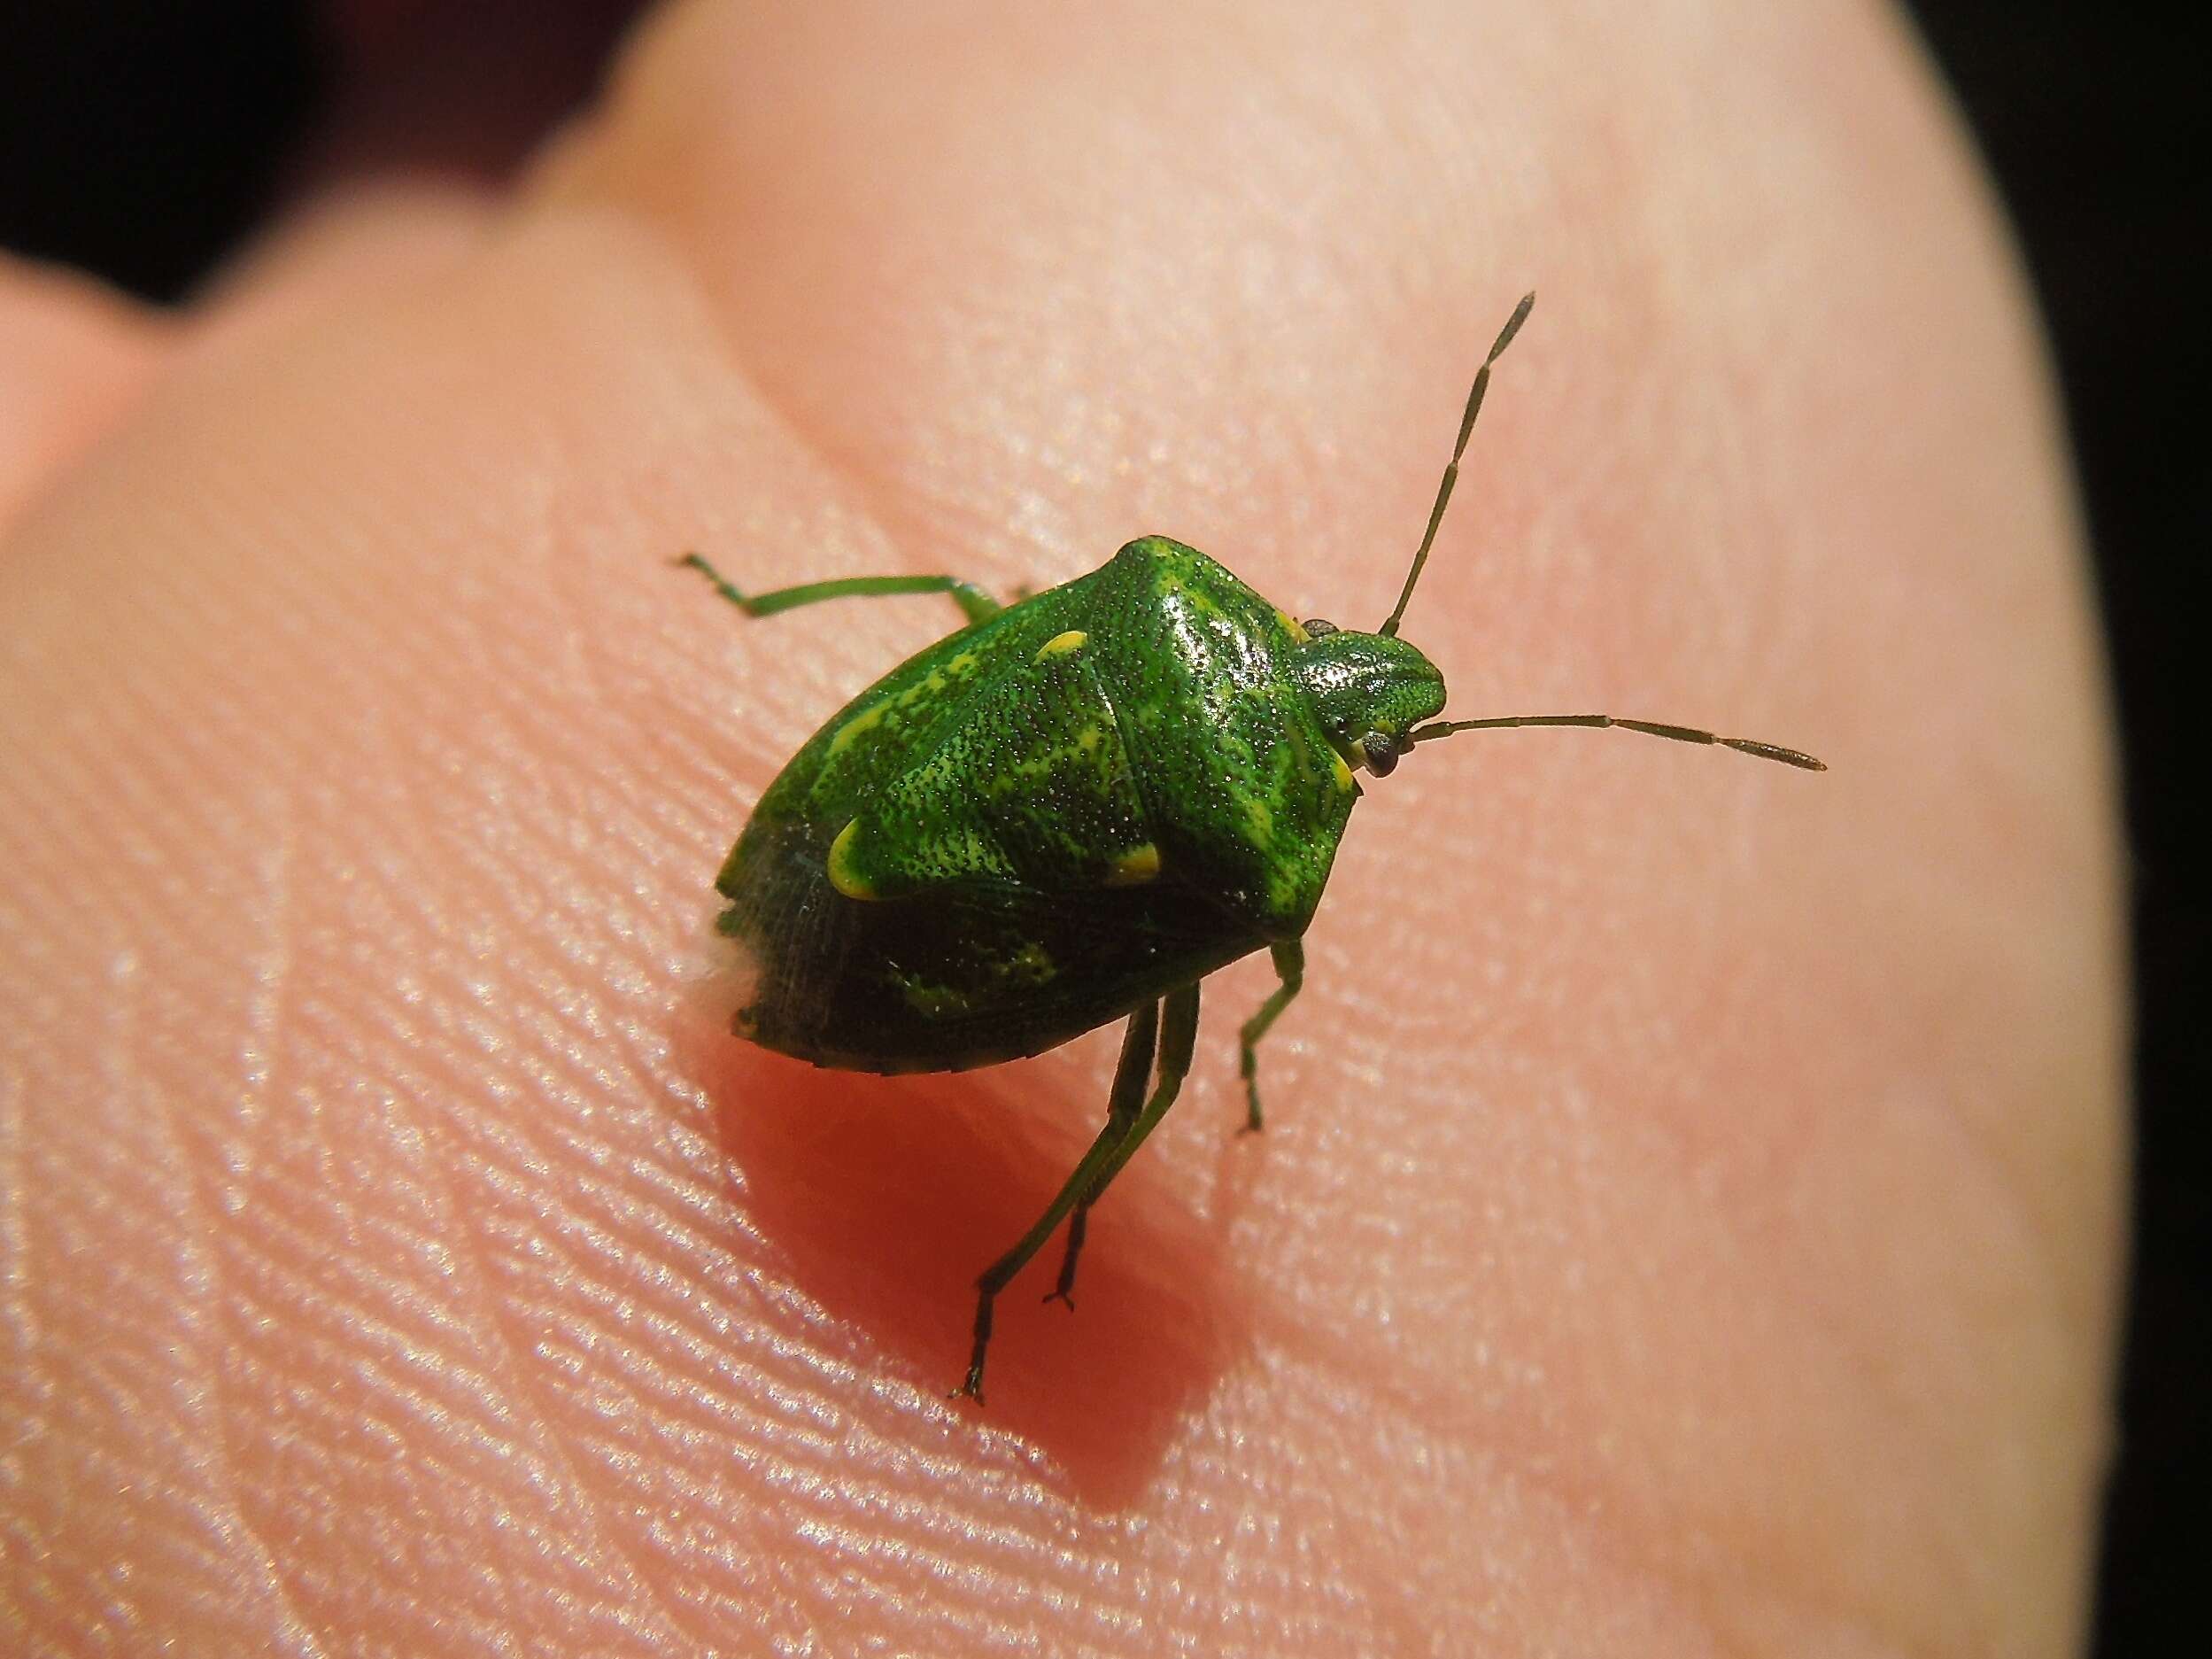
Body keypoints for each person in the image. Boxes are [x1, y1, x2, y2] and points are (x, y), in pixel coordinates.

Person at [0, 3, 2121, 1652]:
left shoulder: (1168, 607)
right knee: (1150, 1095)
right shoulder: (1263, 883)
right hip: (908, 948)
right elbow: (1242, 992)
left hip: (872, 788)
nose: (1361, 714)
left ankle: (784, 682)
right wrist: (1253, 1045)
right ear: (1324, 698)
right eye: (1357, 708)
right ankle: (1042, 1249)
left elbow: (971, 623)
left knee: (949, 625)